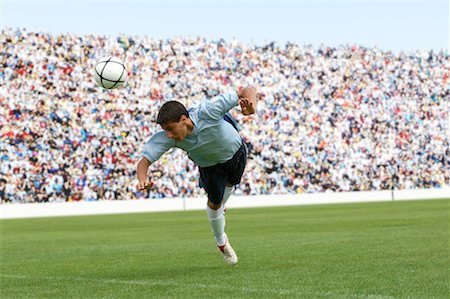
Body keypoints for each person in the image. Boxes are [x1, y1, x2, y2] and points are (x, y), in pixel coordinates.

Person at [136, 87, 257, 266]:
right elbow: (143, 162)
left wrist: (251, 107)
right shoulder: (169, 138)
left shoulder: (208, 111)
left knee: (231, 183)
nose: (168, 134)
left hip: (237, 153)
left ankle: (222, 206)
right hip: (210, 168)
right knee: (215, 203)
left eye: (170, 128)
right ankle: (221, 242)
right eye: (165, 130)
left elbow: (248, 90)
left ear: (184, 120)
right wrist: (142, 178)